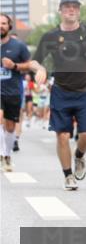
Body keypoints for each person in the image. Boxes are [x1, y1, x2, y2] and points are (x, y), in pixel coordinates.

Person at [26, 0, 86, 190]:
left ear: (79, 11)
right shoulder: (50, 37)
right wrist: (40, 69)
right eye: (67, 7)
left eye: (75, 7)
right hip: (61, 92)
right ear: (60, 10)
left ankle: (79, 156)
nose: (71, 10)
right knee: (62, 136)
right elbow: (33, 61)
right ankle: (68, 175)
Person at [1, 13, 32, 171]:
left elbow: (30, 64)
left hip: (13, 90)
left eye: (4, 23)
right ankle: (1, 153)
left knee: (10, 127)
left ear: (9, 26)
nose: (1, 26)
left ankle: (6, 154)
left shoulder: (18, 46)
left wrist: (14, 66)